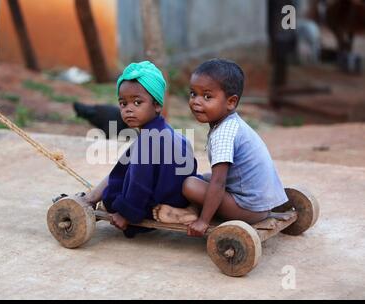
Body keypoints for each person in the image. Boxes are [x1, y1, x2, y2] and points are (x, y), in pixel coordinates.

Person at [56, 61, 198, 238]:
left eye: (137, 103)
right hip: (178, 196)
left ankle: (98, 199)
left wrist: (125, 214)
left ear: (157, 105)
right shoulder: (168, 133)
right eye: (123, 104)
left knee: (112, 196)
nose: (128, 109)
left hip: (156, 203)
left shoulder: (147, 142)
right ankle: (91, 197)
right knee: (125, 164)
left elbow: (140, 184)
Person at [152, 59, 289, 237]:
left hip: (248, 209)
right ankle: (191, 210)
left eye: (207, 97)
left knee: (190, 184)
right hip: (262, 203)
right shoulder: (232, 124)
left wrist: (204, 222)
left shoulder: (224, 134)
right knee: (202, 177)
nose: (196, 102)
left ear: (231, 102)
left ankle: (195, 214)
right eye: (193, 94)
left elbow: (219, 183)